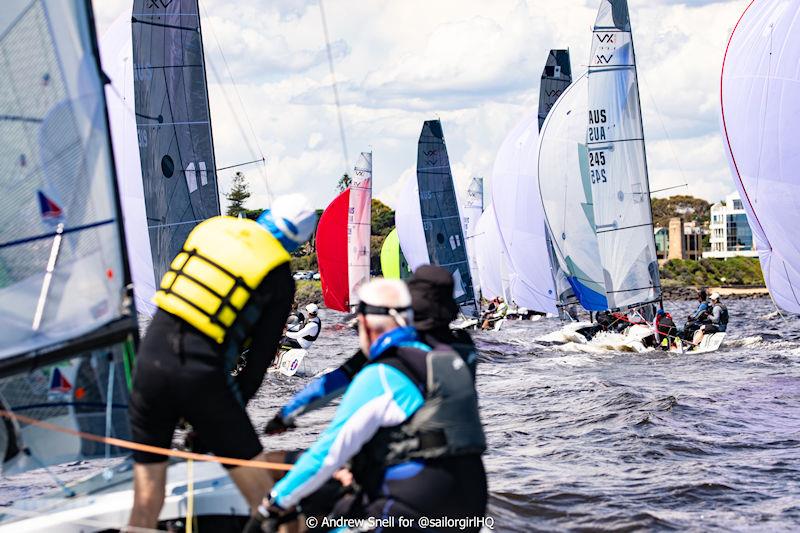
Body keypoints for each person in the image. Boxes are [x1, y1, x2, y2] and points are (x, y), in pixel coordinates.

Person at [126, 195, 317, 529]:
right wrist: (215, 421)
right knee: (272, 506)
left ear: (267, 216)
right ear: (298, 242)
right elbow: (257, 366)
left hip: (149, 360)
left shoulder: (211, 228)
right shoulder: (278, 277)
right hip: (199, 374)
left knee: (146, 500)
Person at [250, 279, 487, 533]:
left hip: (413, 501)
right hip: (472, 500)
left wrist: (271, 504)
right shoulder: (456, 354)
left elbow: (327, 453)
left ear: (365, 323)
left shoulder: (384, 370)